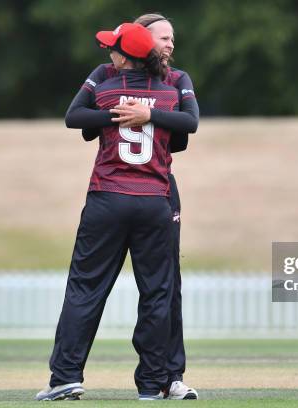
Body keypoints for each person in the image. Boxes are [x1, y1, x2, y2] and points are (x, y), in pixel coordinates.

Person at [35, 22, 194, 401]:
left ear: (126, 55)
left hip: (107, 198)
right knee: (157, 293)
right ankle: (153, 385)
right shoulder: (171, 95)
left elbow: (77, 119)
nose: (109, 53)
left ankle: (66, 376)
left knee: (85, 288)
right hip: (154, 200)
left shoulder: (105, 92)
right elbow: (185, 133)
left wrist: (112, 117)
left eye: (113, 49)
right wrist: (150, 116)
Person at [80, 13, 199, 400]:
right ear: (140, 44)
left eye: (172, 37)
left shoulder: (178, 79)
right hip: (132, 189)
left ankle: (170, 375)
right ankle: (155, 379)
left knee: (168, 284)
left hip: (161, 187)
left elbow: (186, 131)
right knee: (153, 285)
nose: (170, 44)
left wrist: (149, 115)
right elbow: (83, 125)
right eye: (162, 38)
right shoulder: (106, 73)